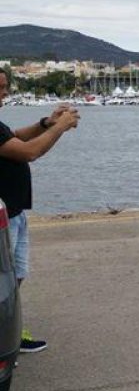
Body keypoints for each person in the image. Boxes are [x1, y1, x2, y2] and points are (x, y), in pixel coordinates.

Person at [0, 68, 81, 353]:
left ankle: (8, 329)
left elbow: (16, 137)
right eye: (1, 87)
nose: (5, 93)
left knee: (16, 274)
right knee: (3, 281)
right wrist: (61, 128)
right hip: (3, 219)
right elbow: (28, 152)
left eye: (6, 86)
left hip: (15, 213)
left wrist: (47, 122)